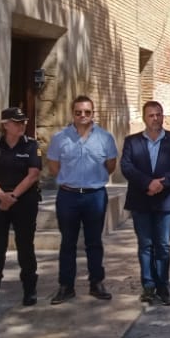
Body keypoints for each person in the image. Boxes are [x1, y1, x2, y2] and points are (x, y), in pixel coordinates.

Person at [44, 95, 118, 305]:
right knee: (67, 242)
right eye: (78, 112)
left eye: (87, 112)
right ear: (73, 114)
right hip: (68, 196)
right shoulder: (60, 138)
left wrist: (95, 178)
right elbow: (53, 165)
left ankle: (97, 283)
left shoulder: (105, 137)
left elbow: (111, 164)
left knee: (94, 242)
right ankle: (66, 286)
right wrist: (70, 179)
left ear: (93, 113)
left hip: (95, 195)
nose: (83, 116)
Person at [120, 100, 170, 306]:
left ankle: (163, 286)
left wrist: (162, 184)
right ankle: (148, 286)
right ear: (144, 118)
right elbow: (126, 167)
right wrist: (147, 183)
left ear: (163, 116)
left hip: (166, 201)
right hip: (141, 200)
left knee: (163, 245)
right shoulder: (132, 141)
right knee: (145, 245)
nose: (155, 119)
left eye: (159, 114)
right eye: (151, 115)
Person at [0, 107, 43, 307]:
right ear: (5, 125)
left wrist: (13, 196)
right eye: (17, 122)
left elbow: (33, 173)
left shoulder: (31, 145)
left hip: (23, 200)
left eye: (23, 122)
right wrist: (1, 196)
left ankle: (29, 289)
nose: (21, 125)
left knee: (26, 246)